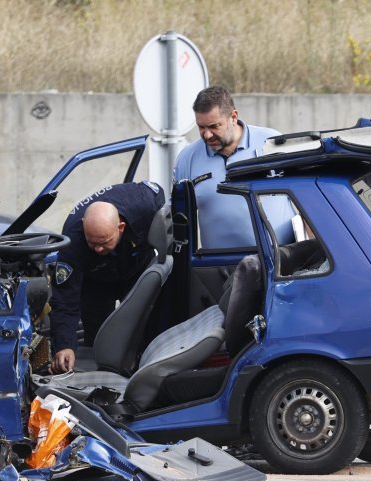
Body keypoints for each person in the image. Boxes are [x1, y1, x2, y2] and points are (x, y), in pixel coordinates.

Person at [49, 181, 165, 374]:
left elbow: (161, 197)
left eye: (104, 242)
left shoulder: (144, 204)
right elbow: (65, 299)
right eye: (92, 243)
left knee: (145, 331)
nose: (99, 249)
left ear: (120, 227)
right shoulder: (74, 239)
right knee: (99, 344)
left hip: (136, 268)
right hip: (97, 282)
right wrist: (64, 345)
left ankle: (145, 373)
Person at [173, 86, 283, 250]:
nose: (207, 135)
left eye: (214, 126)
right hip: (216, 265)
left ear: (233, 117)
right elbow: (179, 217)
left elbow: (306, 197)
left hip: (277, 262)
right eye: (201, 127)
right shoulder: (187, 158)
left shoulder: (272, 143)